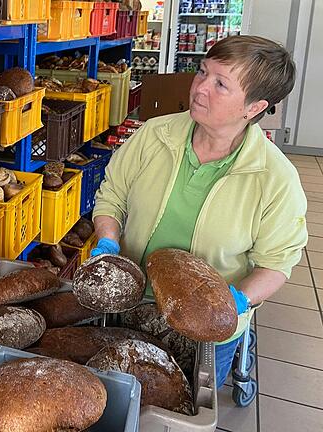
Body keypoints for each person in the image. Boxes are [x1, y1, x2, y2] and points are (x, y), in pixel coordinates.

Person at [90, 35, 307, 388]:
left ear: (253, 107)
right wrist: (108, 240)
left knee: (179, 403)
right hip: (131, 303)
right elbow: (112, 195)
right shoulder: (154, 134)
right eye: (202, 72)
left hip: (206, 330)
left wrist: (235, 301)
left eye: (221, 83)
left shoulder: (275, 179)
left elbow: (277, 263)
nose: (200, 88)